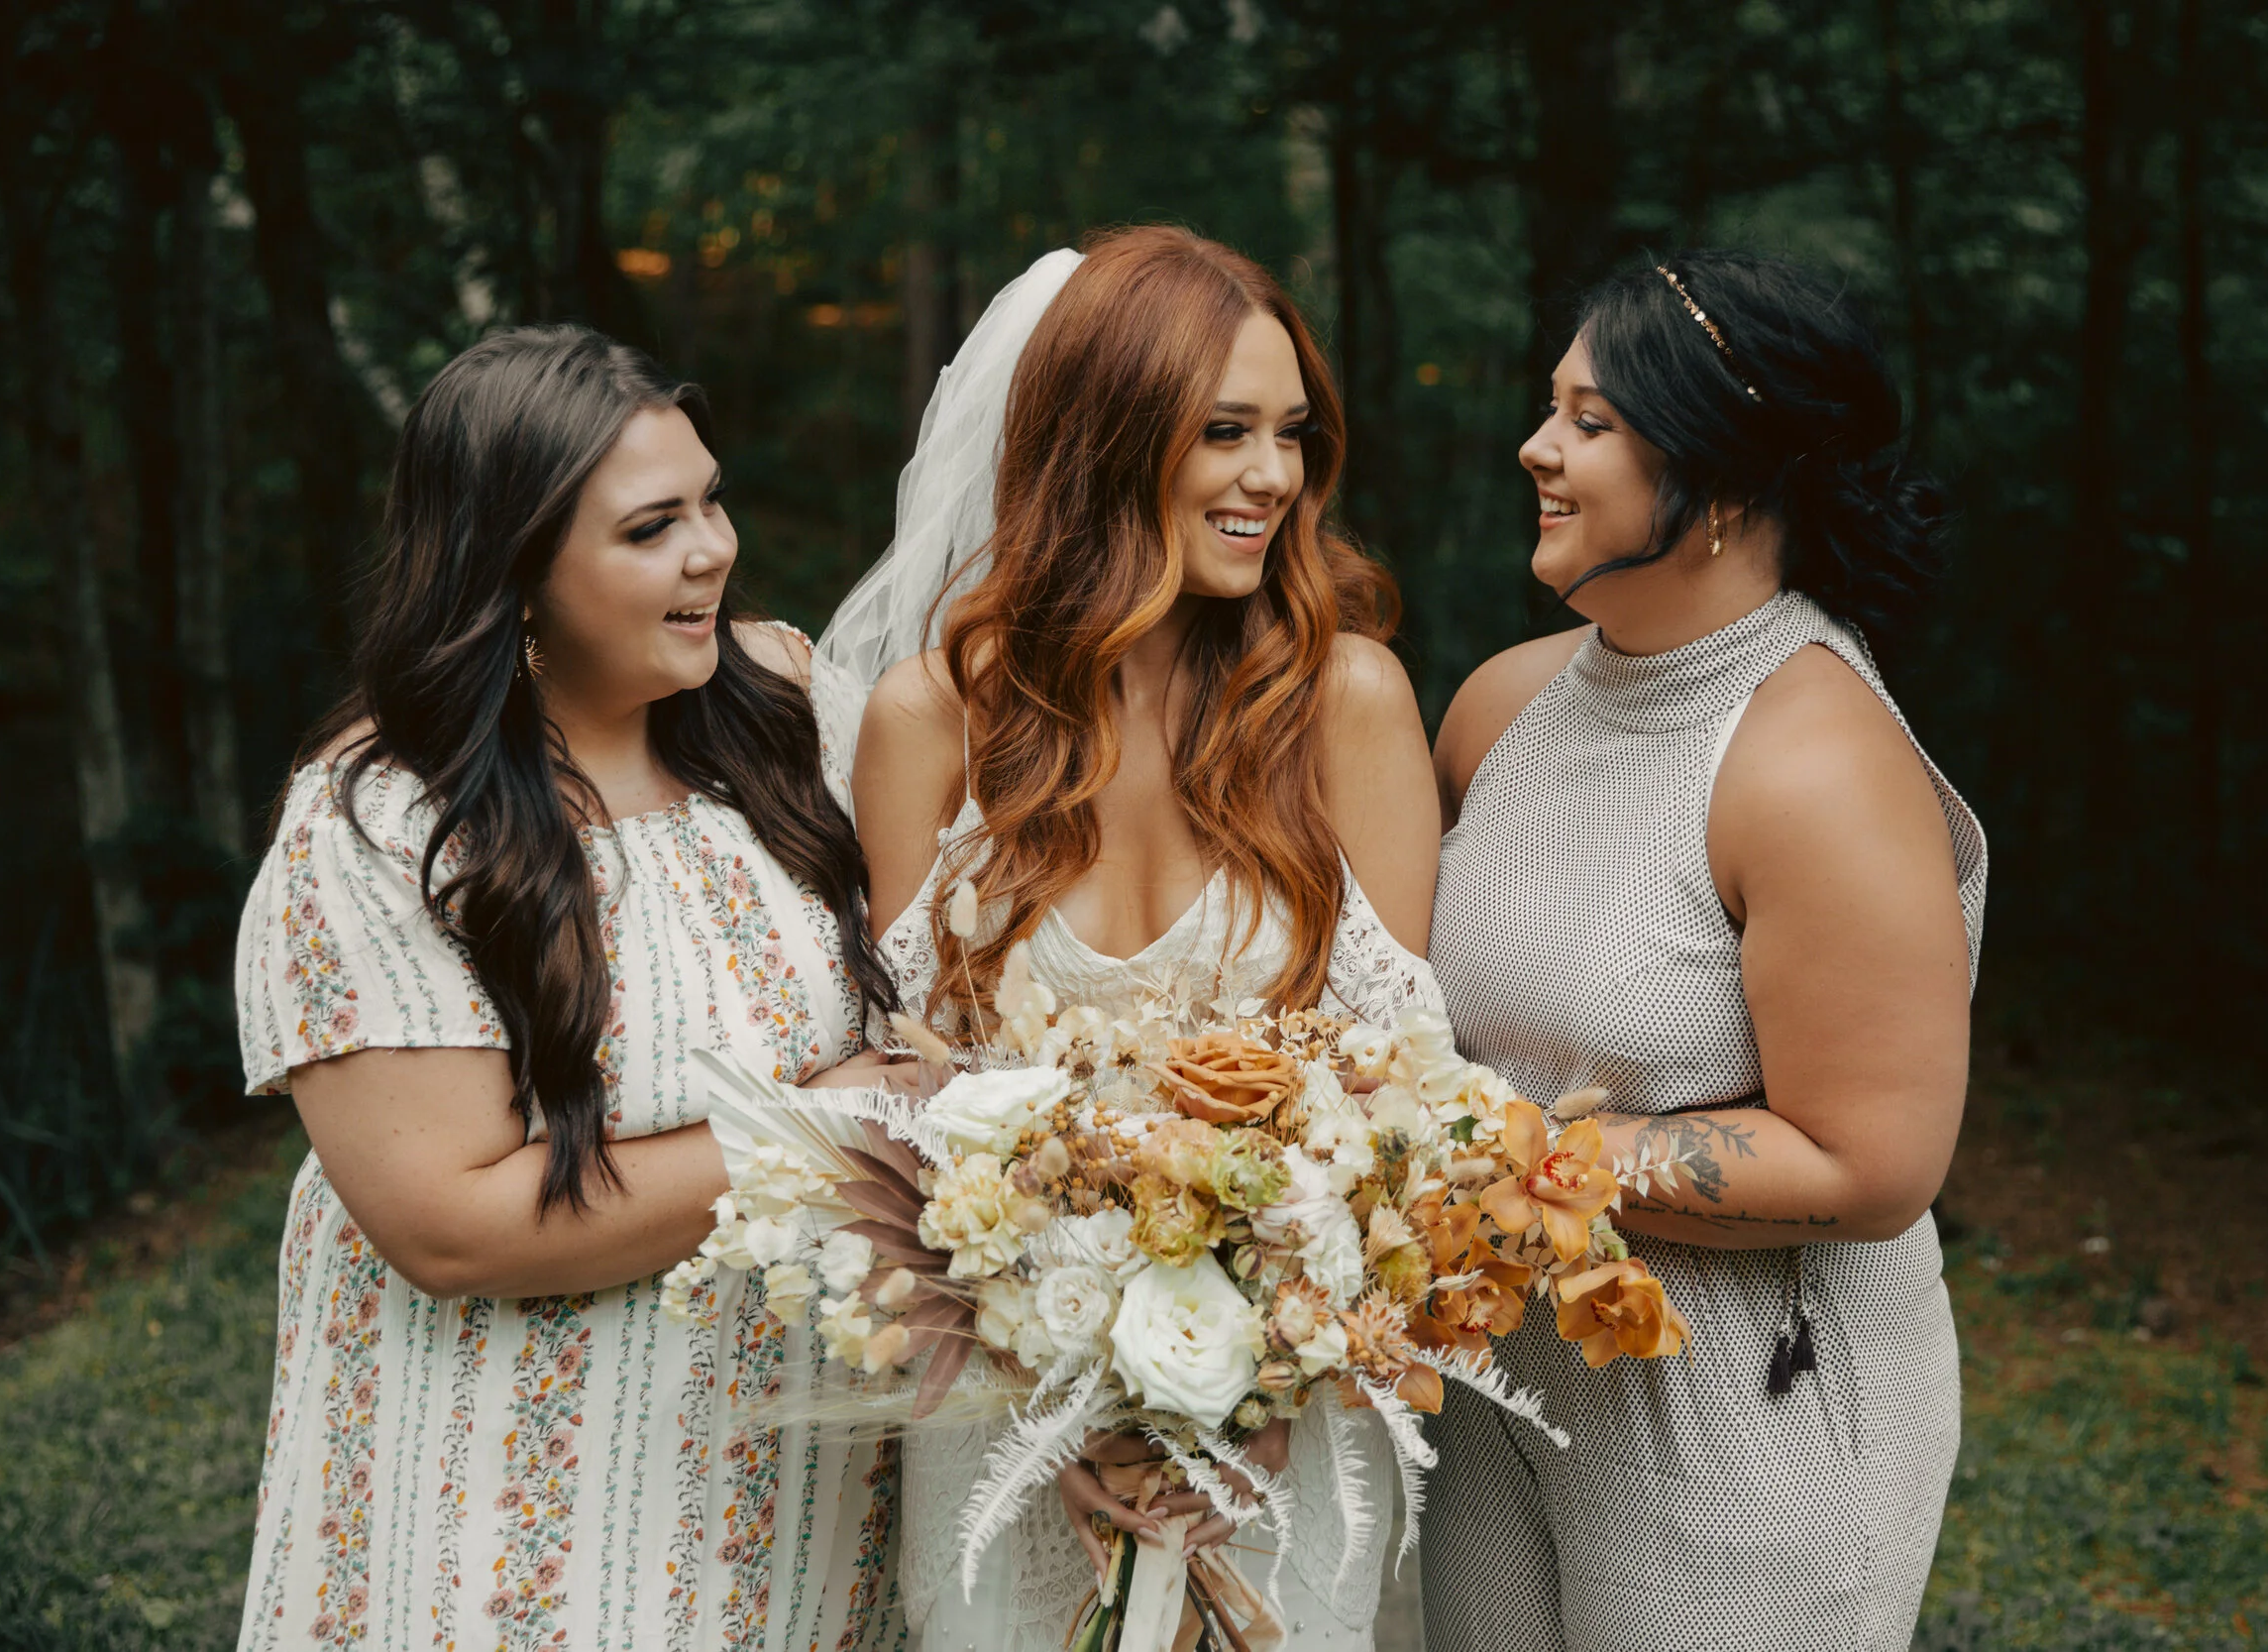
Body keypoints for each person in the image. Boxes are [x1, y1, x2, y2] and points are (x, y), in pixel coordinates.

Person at [231, 324, 907, 1651]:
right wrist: (819, 1131)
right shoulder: (382, 827)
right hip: (518, 1526)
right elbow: (449, 1226)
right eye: (652, 527)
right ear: (517, 573)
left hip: (798, 1497)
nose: (710, 548)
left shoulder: (782, 714)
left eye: (710, 500)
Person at [831, 227, 1442, 1651]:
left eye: (1292, 434)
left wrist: (1269, 1376)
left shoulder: (1347, 700)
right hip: (1004, 1428)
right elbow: (905, 1111)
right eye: (1223, 432)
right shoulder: (931, 721)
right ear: (1103, 440)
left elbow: (1404, 1105)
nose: (1273, 477)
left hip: (1283, 1437)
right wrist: (1063, 1385)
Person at [1418, 252, 1988, 1650]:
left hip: (1742, 1404)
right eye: (1552, 408)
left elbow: (1872, 1162)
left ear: (1727, 479)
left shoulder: (1813, 763)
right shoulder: (1500, 709)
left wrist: (1511, 1161)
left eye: (1591, 421)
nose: (1535, 447)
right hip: (1504, 1381)